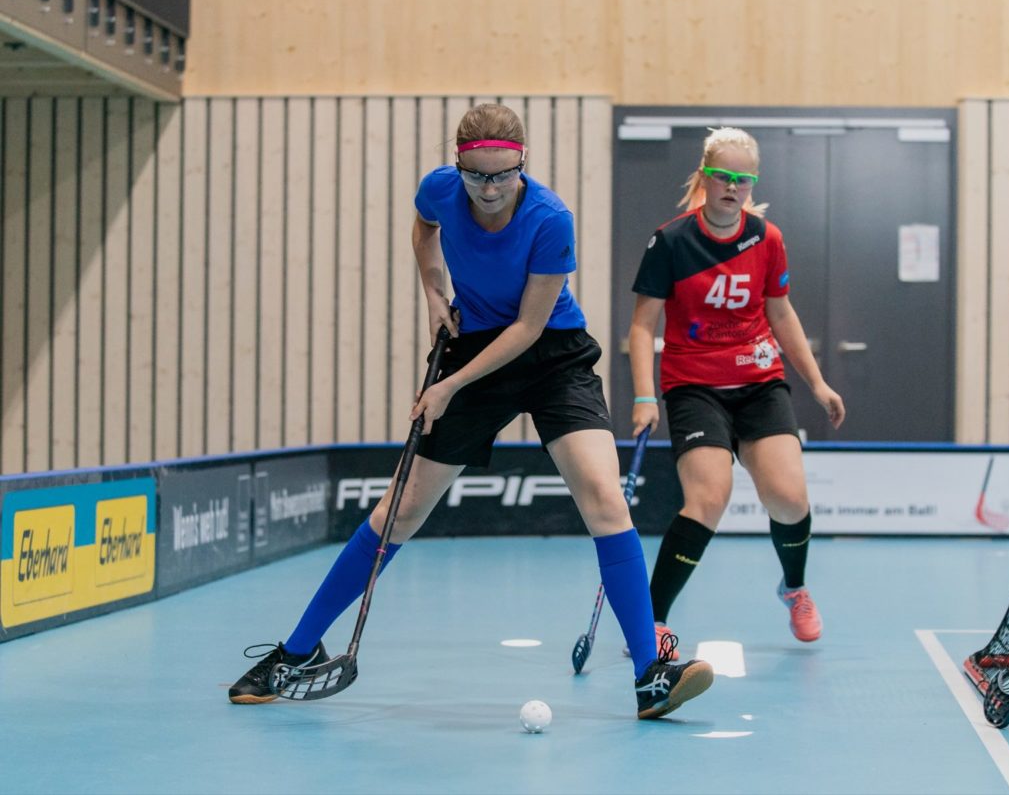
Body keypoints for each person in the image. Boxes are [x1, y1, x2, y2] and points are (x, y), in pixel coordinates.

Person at [228, 104, 713, 720]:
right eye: (476, 175)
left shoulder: (550, 218)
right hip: (475, 344)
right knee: (399, 511)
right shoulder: (438, 189)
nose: (488, 190)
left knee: (605, 498)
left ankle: (650, 676)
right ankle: (296, 652)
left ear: (522, 164)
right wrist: (435, 294)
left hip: (552, 355)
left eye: (502, 175)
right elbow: (424, 229)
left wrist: (449, 385)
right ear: (457, 166)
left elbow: (528, 327)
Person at [627, 127, 845, 654]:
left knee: (789, 499)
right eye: (723, 176)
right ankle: (651, 622)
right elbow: (641, 325)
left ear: (753, 184)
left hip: (759, 382)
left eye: (743, 179)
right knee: (708, 499)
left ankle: (794, 589)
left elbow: (781, 313)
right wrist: (643, 396)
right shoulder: (671, 241)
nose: (733, 187)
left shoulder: (767, 239)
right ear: (705, 177)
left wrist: (816, 382)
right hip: (693, 386)